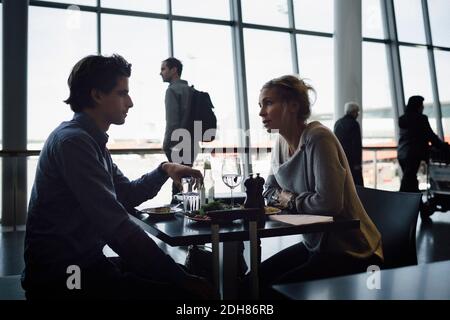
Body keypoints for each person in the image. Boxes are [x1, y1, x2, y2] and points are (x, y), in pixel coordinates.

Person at [22, 54, 213, 300]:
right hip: (64, 279)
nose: (130, 102)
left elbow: (128, 194)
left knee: (178, 276)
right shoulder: (74, 143)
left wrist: (165, 168)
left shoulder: (90, 141)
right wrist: (180, 278)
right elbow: (116, 225)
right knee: (187, 293)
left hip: (85, 266)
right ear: (97, 95)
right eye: (122, 93)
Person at [257, 75, 383, 294]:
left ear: (293, 105)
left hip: (351, 250)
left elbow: (328, 204)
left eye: (268, 103)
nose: (261, 112)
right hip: (316, 245)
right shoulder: (279, 142)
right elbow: (268, 190)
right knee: (255, 281)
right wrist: (293, 199)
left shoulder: (318, 138)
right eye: (261, 105)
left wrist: (289, 199)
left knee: (272, 291)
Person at [397, 95, 448, 217]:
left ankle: (421, 209)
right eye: (421, 105)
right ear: (418, 106)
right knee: (407, 183)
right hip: (413, 154)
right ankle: (397, 206)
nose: (423, 107)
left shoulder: (402, 119)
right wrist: (445, 147)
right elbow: (430, 136)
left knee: (411, 181)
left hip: (402, 154)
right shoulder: (420, 119)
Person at [160, 57, 198, 198]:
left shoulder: (172, 91)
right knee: (186, 182)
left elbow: (172, 122)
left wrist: (166, 144)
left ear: (174, 70)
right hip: (192, 143)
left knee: (178, 185)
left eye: (163, 69)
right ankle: (191, 214)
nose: (161, 73)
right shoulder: (190, 90)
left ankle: (180, 217)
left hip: (178, 143)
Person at [334, 101, 364, 186]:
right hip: (351, 160)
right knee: (356, 185)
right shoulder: (354, 124)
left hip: (340, 158)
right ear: (353, 112)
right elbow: (356, 145)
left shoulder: (338, 123)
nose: (358, 114)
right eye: (357, 112)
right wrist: (357, 163)